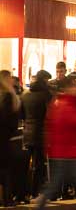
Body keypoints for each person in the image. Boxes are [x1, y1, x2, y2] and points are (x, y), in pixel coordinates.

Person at [35, 74, 76, 209]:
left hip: (64, 151)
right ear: (68, 88)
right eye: (75, 86)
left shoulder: (62, 103)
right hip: (68, 152)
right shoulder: (65, 104)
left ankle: (41, 202)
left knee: (59, 182)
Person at [21, 70, 52, 199]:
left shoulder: (26, 95)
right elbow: (49, 115)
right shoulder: (46, 95)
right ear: (44, 80)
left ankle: (24, 191)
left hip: (27, 132)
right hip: (41, 133)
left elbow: (22, 114)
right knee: (39, 164)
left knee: (26, 164)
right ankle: (35, 191)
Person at [0, 69, 21, 206]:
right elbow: (9, 120)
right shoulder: (9, 96)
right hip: (4, 138)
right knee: (6, 169)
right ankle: (7, 199)